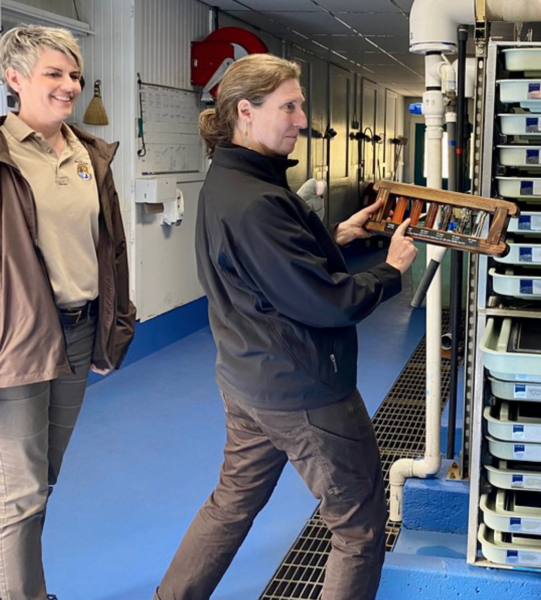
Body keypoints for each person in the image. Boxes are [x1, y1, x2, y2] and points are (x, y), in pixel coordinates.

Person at [154, 54, 417, 600]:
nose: (302, 120)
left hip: (247, 378)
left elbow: (268, 267)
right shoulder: (257, 201)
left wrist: (335, 237)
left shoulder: (230, 180)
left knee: (232, 501)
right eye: (290, 106)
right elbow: (327, 302)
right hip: (301, 388)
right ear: (245, 112)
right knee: (359, 523)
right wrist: (390, 273)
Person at [0, 25, 136, 600]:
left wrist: (114, 330)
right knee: (19, 493)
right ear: (15, 79)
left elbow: (112, 248)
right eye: (55, 74)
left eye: (74, 74)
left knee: (42, 480)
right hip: (11, 346)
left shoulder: (89, 155)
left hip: (76, 334)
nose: (70, 85)